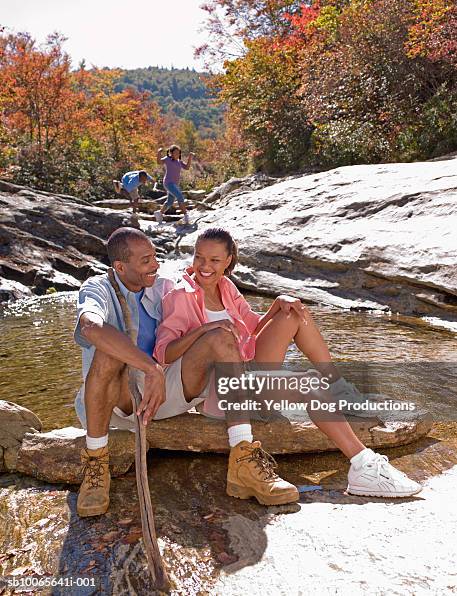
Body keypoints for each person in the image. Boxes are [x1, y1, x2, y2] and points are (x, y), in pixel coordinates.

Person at [153, 227, 422, 506]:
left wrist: (277, 303)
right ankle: (363, 466)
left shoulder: (226, 287)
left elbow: (252, 328)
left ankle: (342, 392)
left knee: (293, 313)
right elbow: (164, 353)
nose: (204, 267)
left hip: (248, 373)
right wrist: (206, 331)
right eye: (199, 257)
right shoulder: (180, 295)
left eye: (214, 260)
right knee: (308, 382)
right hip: (222, 393)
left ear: (229, 261)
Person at [73, 227, 253, 517]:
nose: (155, 265)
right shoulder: (98, 288)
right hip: (118, 401)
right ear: (121, 267)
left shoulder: (163, 285)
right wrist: (149, 368)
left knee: (219, 336)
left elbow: (195, 289)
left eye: (155, 257)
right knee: (108, 349)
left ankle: (244, 459)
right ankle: (96, 464)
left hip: (165, 394)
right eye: (146, 261)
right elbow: (90, 326)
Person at [155, 145, 193, 225]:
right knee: (180, 196)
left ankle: (159, 213)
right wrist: (159, 153)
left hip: (174, 184)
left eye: (178, 153)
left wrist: (190, 158)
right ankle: (186, 215)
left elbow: (187, 167)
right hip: (168, 183)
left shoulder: (179, 161)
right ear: (171, 153)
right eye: (175, 153)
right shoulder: (168, 159)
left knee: (170, 201)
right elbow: (159, 162)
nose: (177, 154)